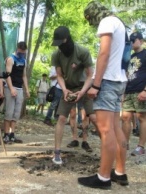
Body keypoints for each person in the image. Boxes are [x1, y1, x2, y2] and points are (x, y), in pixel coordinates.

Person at [78, 1, 128, 189]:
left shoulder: (107, 22)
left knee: (106, 131)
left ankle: (103, 178)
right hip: (120, 81)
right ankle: (120, 173)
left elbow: (104, 53)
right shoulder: (120, 23)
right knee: (116, 129)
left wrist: (96, 84)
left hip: (107, 81)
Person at [51, 26, 96, 166]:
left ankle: (108, 148)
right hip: (69, 89)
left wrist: (82, 92)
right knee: (62, 118)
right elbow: (59, 75)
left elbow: (90, 75)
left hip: (84, 87)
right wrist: (64, 90)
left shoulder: (82, 51)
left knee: (93, 117)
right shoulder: (56, 55)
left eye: (60, 43)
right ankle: (57, 153)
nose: (59, 47)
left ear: (66, 39)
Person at [121, 32, 146, 156]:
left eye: (134, 40)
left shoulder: (145, 54)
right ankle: (124, 144)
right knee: (125, 117)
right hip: (129, 90)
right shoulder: (129, 56)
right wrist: (123, 92)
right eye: (130, 40)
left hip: (141, 90)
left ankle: (141, 146)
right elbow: (126, 74)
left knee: (142, 118)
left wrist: (145, 91)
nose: (132, 42)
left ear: (141, 41)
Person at [3, 41, 30, 143]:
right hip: (10, 88)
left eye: (24, 51)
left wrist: (26, 89)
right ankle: (6, 134)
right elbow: (7, 75)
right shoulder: (11, 59)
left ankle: (12, 134)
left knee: (16, 113)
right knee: (9, 112)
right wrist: (11, 88)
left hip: (19, 88)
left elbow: (24, 76)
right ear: (17, 48)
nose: (22, 52)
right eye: (21, 50)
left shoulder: (24, 60)